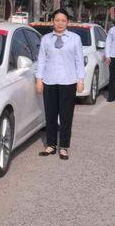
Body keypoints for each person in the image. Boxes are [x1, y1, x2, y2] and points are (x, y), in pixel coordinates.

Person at [35, 9, 85, 161]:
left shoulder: (75, 38)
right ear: (52, 21)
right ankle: (51, 144)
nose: (60, 23)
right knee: (50, 115)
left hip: (68, 81)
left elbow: (79, 60)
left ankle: (63, 146)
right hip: (49, 81)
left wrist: (80, 80)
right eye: (57, 20)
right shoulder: (46, 39)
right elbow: (41, 60)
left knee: (66, 116)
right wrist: (39, 79)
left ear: (67, 22)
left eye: (63, 20)